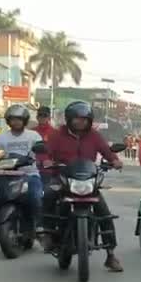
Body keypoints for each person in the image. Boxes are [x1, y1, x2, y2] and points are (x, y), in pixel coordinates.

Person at [40, 101, 125, 273]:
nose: (81, 123)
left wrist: (114, 160)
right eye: (77, 119)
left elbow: (106, 151)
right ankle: (47, 234)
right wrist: (46, 160)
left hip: (87, 181)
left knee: (104, 213)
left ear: (89, 120)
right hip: (63, 178)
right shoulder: (58, 135)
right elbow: (46, 151)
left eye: (84, 120)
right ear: (69, 119)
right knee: (48, 195)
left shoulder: (94, 135)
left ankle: (111, 254)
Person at [0, 104, 45, 230]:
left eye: (19, 119)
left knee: (35, 196)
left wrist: (42, 155)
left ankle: (37, 224)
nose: (16, 122)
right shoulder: (3, 136)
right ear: (8, 121)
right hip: (7, 174)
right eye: (13, 119)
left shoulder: (33, 135)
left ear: (24, 120)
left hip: (30, 174)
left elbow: (42, 148)